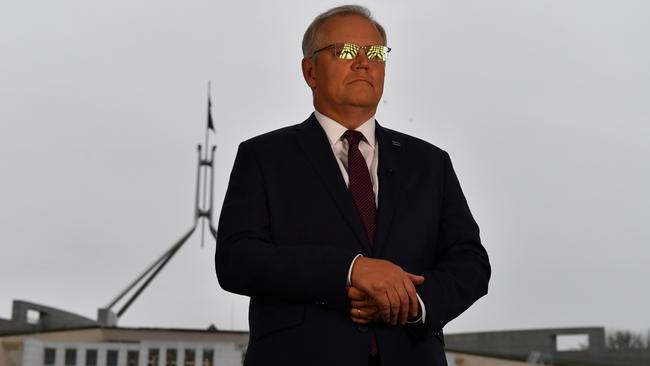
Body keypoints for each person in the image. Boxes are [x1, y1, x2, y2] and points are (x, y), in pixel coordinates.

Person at [215, 5, 490, 366]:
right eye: (345, 51)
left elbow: (470, 263)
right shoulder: (264, 156)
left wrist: (412, 305)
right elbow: (237, 260)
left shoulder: (430, 163)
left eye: (375, 53)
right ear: (310, 70)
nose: (363, 62)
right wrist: (350, 269)